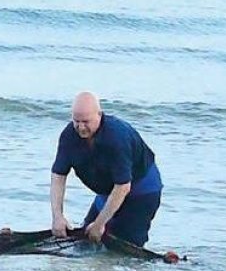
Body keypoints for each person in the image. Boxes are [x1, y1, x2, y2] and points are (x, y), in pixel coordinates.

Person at [50, 92, 163, 247]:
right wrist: (57, 216)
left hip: (141, 192)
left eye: (86, 121)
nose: (81, 127)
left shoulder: (117, 137)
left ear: (100, 115)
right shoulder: (69, 135)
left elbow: (123, 186)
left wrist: (100, 223)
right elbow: (58, 176)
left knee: (127, 247)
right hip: (107, 193)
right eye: (76, 121)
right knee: (86, 242)